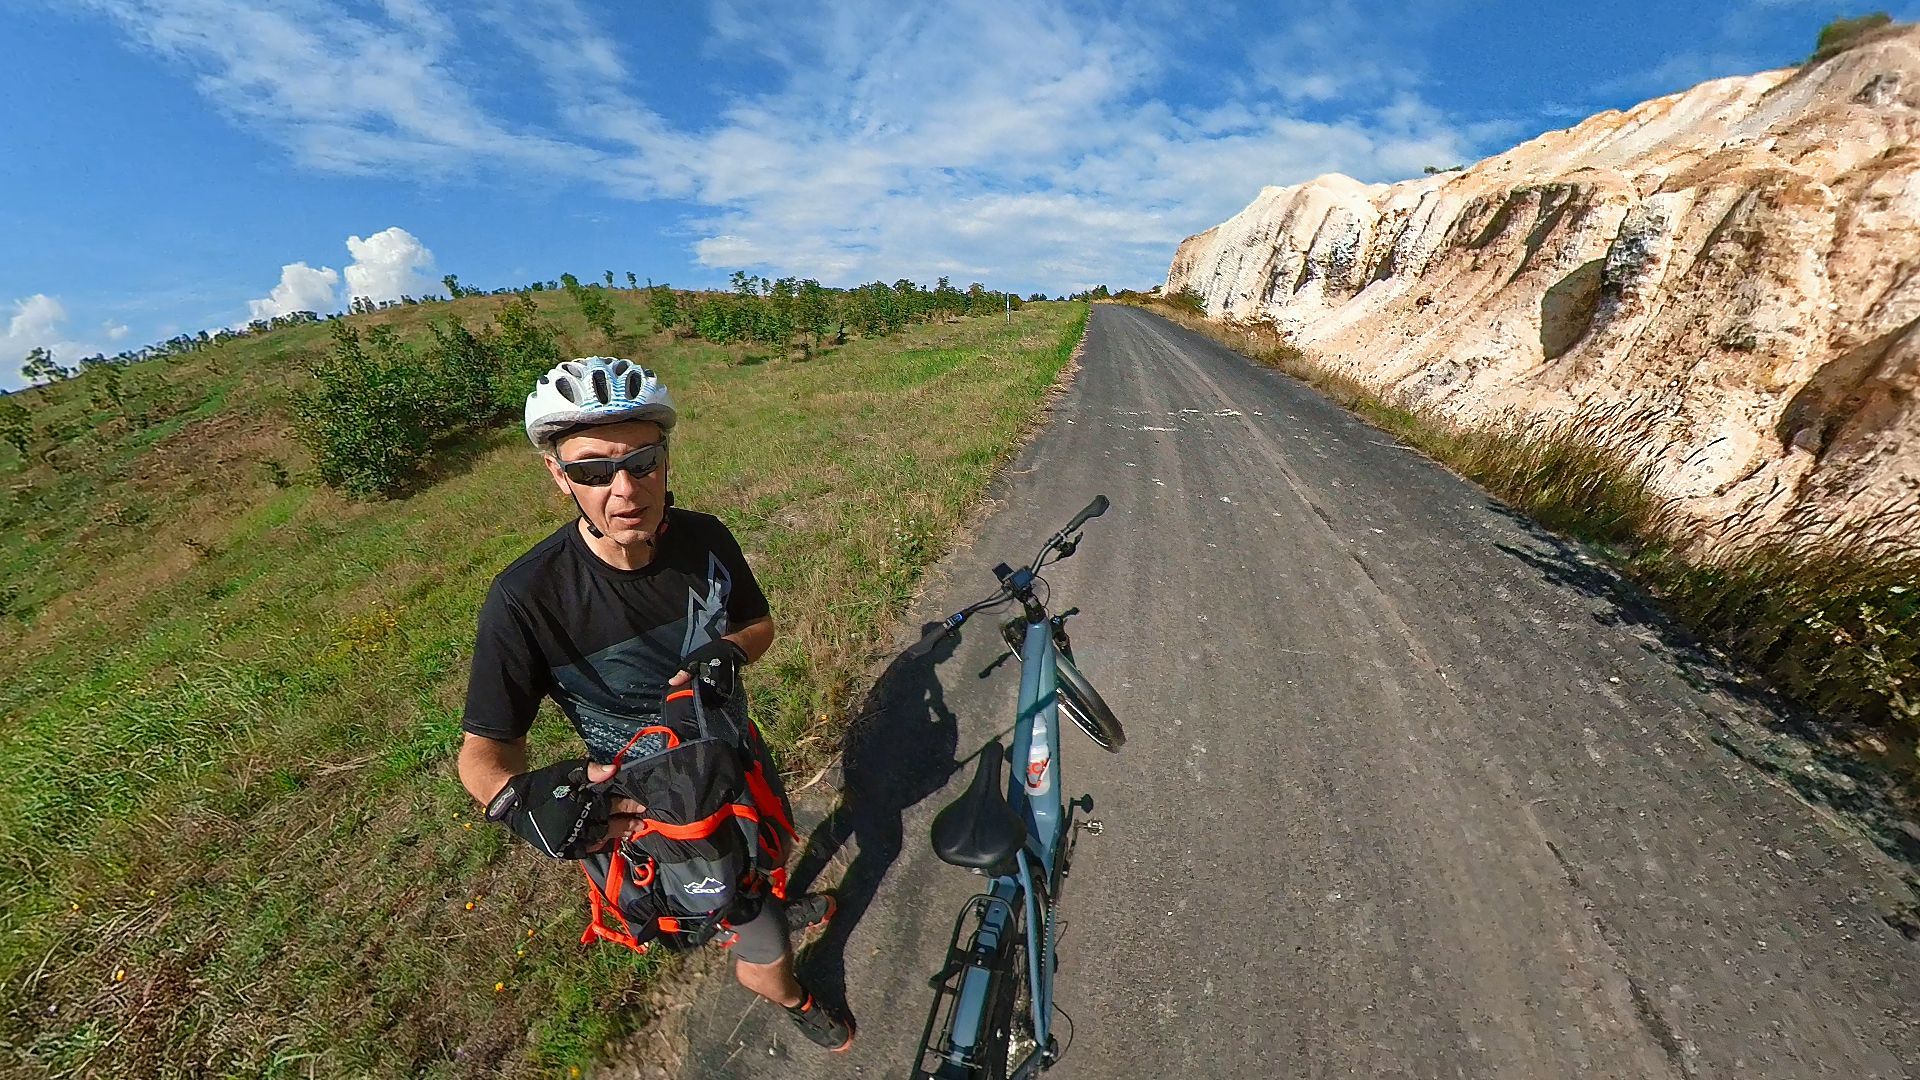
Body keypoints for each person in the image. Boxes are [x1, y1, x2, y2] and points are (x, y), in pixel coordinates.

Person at [456, 356, 854, 1052]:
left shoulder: (707, 539)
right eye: (592, 470)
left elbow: (757, 625)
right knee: (753, 933)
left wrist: (728, 652)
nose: (624, 489)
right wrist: (519, 805)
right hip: (656, 808)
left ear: (666, 458)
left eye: (642, 461)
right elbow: (483, 755)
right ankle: (790, 992)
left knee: (767, 849)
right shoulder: (527, 598)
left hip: (735, 754)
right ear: (558, 475)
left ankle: (764, 901)